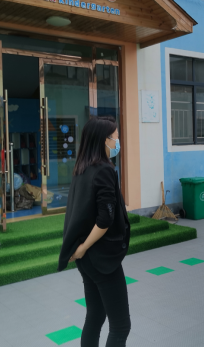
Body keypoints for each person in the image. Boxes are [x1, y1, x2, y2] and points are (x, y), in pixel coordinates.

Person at [58, 116, 131, 347]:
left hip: (87, 259)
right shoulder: (103, 170)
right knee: (121, 326)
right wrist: (84, 247)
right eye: (116, 137)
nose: (118, 142)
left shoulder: (82, 168)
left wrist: (80, 249)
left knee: (95, 316)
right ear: (104, 140)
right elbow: (105, 219)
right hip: (101, 258)